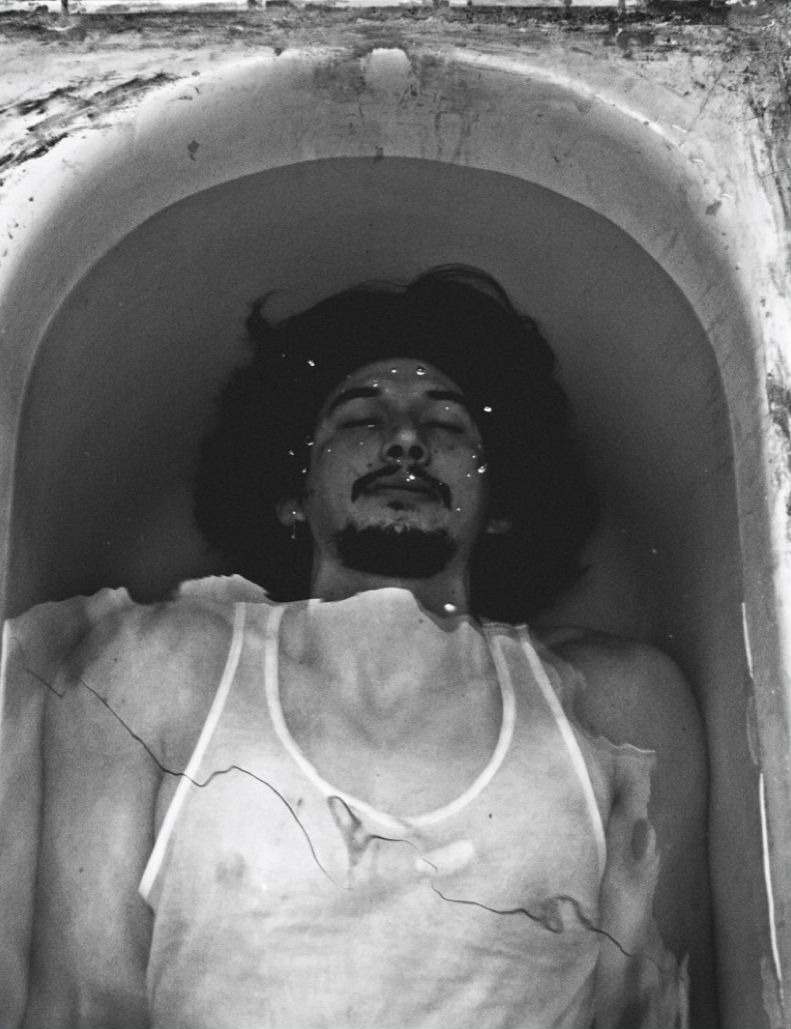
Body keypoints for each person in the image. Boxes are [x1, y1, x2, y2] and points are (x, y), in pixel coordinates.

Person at [0, 267, 714, 1029]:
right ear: (292, 491)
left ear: (500, 503)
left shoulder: (616, 703)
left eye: (448, 425)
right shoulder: (153, 670)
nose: (405, 440)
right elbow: (81, 1004)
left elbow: (654, 1011)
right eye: (360, 419)